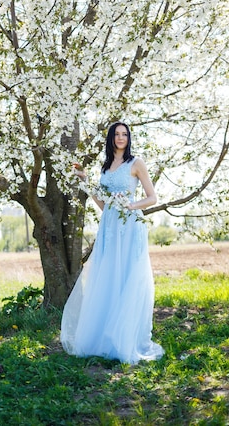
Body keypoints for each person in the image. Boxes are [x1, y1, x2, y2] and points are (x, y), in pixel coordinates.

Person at [60, 121, 165, 364]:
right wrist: (86, 181)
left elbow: (152, 198)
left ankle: (126, 338)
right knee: (108, 277)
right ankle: (105, 335)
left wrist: (130, 205)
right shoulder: (106, 168)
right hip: (109, 226)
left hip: (129, 226)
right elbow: (103, 205)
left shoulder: (135, 163)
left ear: (129, 138)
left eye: (124, 134)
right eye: (117, 134)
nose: (121, 138)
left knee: (128, 276)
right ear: (111, 138)